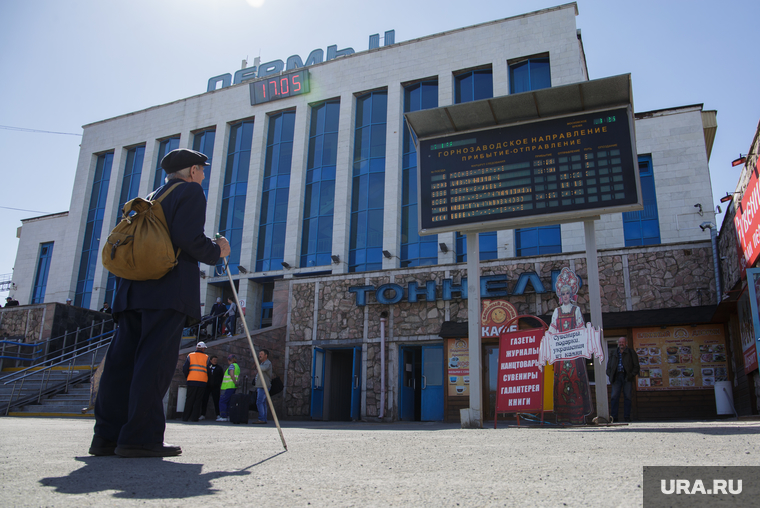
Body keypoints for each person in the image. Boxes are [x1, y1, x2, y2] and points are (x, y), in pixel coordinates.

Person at [89, 148, 230, 458]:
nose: (203, 176)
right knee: (153, 365)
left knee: (121, 364)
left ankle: (106, 438)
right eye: (202, 170)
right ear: (193, 170)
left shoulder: (152, 197)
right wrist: (217, 251)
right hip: (166, 291)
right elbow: (188, 238)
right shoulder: (190, 192)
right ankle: (140, 437)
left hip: (131, 291)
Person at [548, 267, 593, 425]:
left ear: (571, 294)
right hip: (561, 354)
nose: (565, 296)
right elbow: (552, 329)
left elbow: (580, 328)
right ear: (560, 296)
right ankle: (562, 415)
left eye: (568, 293)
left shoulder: (576, 310)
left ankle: (578, 415)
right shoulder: (556, 312)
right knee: (561, 383)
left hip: (573, 354)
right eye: (563, 293)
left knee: (575, 382)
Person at [606, 336, 640, 423]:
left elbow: (636, 366)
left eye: (623, 342)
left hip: (627, 376)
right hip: (616, 377)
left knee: (628, 397)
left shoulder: (631, 352)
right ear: (618, 343)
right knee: (614, 397)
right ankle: (614, 417)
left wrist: (631, 375)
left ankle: (627, 417)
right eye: (620, 342)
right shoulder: (614, 353)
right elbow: (609, 366)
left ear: (626, 343)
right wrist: (610, 375)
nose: (621, 344)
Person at [181, 342, 209, 422]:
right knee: (198, 400)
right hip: (202, 381)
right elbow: (209, 370)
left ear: (196, 348)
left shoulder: (190, 355)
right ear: (203, 349)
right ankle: (194, 418)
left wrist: (188, 376)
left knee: (189, 399)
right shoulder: (206, 357)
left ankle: (185, 417)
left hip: (192, 380)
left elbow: (185, 368)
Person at [217, 354, 240, 422]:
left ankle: (223, 416)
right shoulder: (237, 367)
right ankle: (228, 415)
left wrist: (234, 382)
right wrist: (236, 383)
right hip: (233, 387)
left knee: (223, 401)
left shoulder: (232, 366)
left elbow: (232, 374)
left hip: (227, 386)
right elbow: (238, 377)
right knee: (229, 402)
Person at [253, 349, 272, 424]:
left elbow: (264, 369)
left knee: (259, 402)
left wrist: (257, 365)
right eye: (259, 354)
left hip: (264, 386)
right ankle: (263, 418)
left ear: (266, 355)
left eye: (261, 354)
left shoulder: (267, 363)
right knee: (262, 402)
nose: (259, 355)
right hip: (260, 385)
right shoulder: (262, 363)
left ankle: (261, 418)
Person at [202, 355, 224, 419]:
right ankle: (202, 414)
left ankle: (218, 414)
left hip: (216, 387)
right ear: (211, 360)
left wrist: (218, 383)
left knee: (216, 401)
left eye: (216, 360)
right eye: (214, 360)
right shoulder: (208, 367)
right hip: (207, 386)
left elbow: (221, 377)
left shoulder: (219, 368)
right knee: (204, 400)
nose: (215, 361)